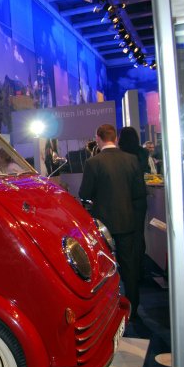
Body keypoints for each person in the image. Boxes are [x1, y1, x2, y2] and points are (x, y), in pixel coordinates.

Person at [79, 124, 147, 320]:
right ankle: (133, 308)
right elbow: (139, 192)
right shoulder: (131, 159)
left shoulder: (93, 162)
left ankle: (107, 309)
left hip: (103, 225)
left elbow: (85, 193)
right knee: (129, 266)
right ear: (115, 138)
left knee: (104, 268)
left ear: (98, 138)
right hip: (127, 221)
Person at [118, 127, 150, 283]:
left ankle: (128, 271)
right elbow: (146, 171)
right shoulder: (143, 153)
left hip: (123, 197)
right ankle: (140, 269)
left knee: (125, 236)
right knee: (139, 235)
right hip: (139, 198)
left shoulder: (120, 155)